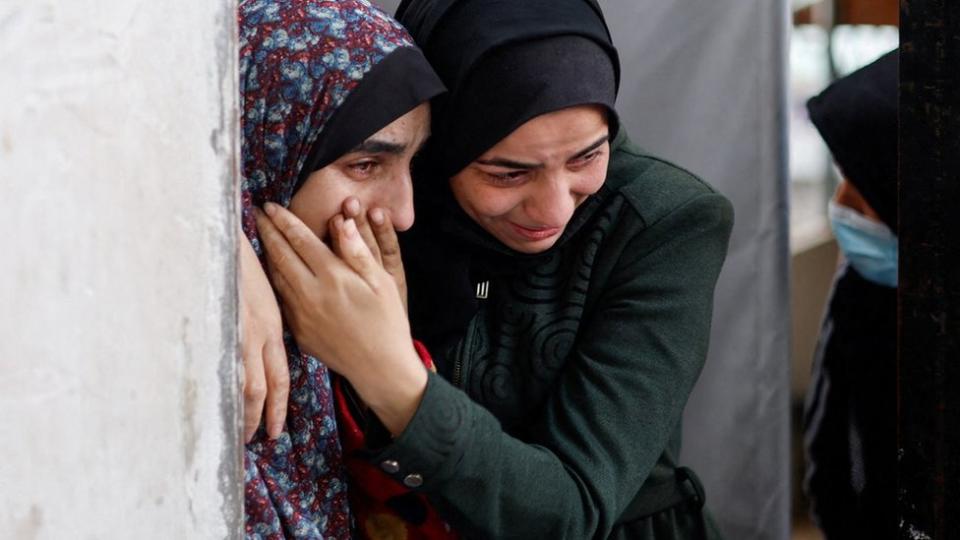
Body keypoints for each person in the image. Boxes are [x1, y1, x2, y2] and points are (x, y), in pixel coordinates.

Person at [256, 0, 734, 537]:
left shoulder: (662, 222)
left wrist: (388, 372)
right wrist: (239, 265)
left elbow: (571, 510)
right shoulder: (377, 199)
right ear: (443, 141)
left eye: (586, 157)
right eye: (508, 173)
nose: (553, 210)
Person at [236, 0, 444, 537]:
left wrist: (382, 370)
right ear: (262, 149)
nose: (403, 214)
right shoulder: (187, 353)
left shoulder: (318, 346)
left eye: (412, 162)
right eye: (365, 164)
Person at [802, 49, 899, 539]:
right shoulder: (864, 284)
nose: (841, 208)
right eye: (842, 182)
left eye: (863, 193)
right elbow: (829, 445)